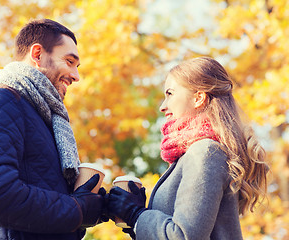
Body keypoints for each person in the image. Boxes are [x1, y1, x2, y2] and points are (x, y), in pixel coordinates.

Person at [0, 19, 106, 240]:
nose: (76, 76)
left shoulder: (45, 119)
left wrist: (97, 205)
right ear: (37, 54)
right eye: (69, 61)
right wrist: (77, 209)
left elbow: (45, 209)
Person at [107, 57, 268, 239]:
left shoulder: (206, 152)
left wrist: (135, 215)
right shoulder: (195, 153)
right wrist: (134, 221)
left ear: (198, 98)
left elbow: (184, 235)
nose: (162, 106)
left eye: (170, 94)